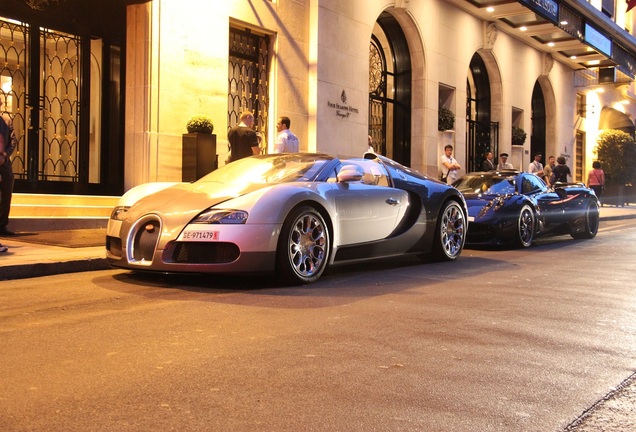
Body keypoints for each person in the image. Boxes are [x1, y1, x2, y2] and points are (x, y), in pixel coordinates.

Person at [0, 99, 16, 238]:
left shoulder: (6, 121)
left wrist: (5, 155)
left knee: (7, 189)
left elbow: (13, 141)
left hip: (3, 161)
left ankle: (2, 224)